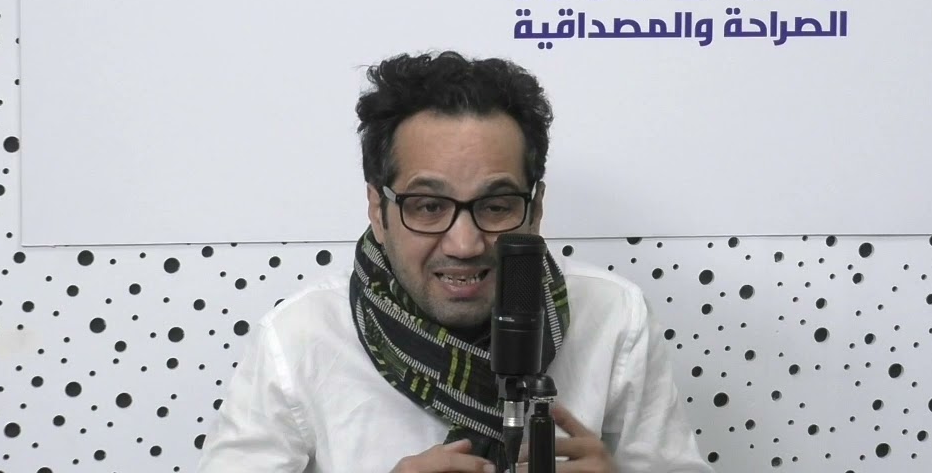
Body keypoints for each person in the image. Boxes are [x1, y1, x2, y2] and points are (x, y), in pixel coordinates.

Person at [195, 51, 712, 473]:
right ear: (378, 209)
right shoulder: (300, 336)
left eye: (496, 206)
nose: (464, 244)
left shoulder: (614, 317)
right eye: (428, 206)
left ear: (535, 208)